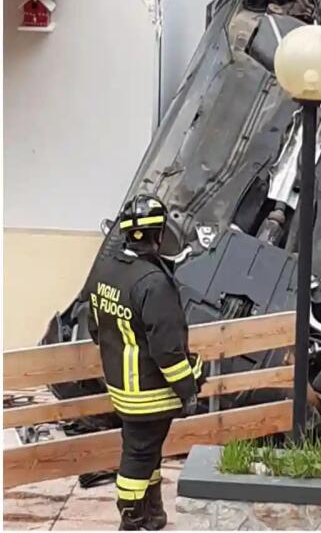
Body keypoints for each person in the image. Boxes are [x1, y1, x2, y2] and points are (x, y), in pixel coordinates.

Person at [82, 195, 204, 530]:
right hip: (150, 393)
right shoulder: (153, 283)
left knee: (146, 449)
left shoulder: (105, 272)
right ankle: (131, 518)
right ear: (160, 234)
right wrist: (188, 388)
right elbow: (168, 350)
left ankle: (152, 514)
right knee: (137, 457)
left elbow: (95, 327)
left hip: (121, 386)